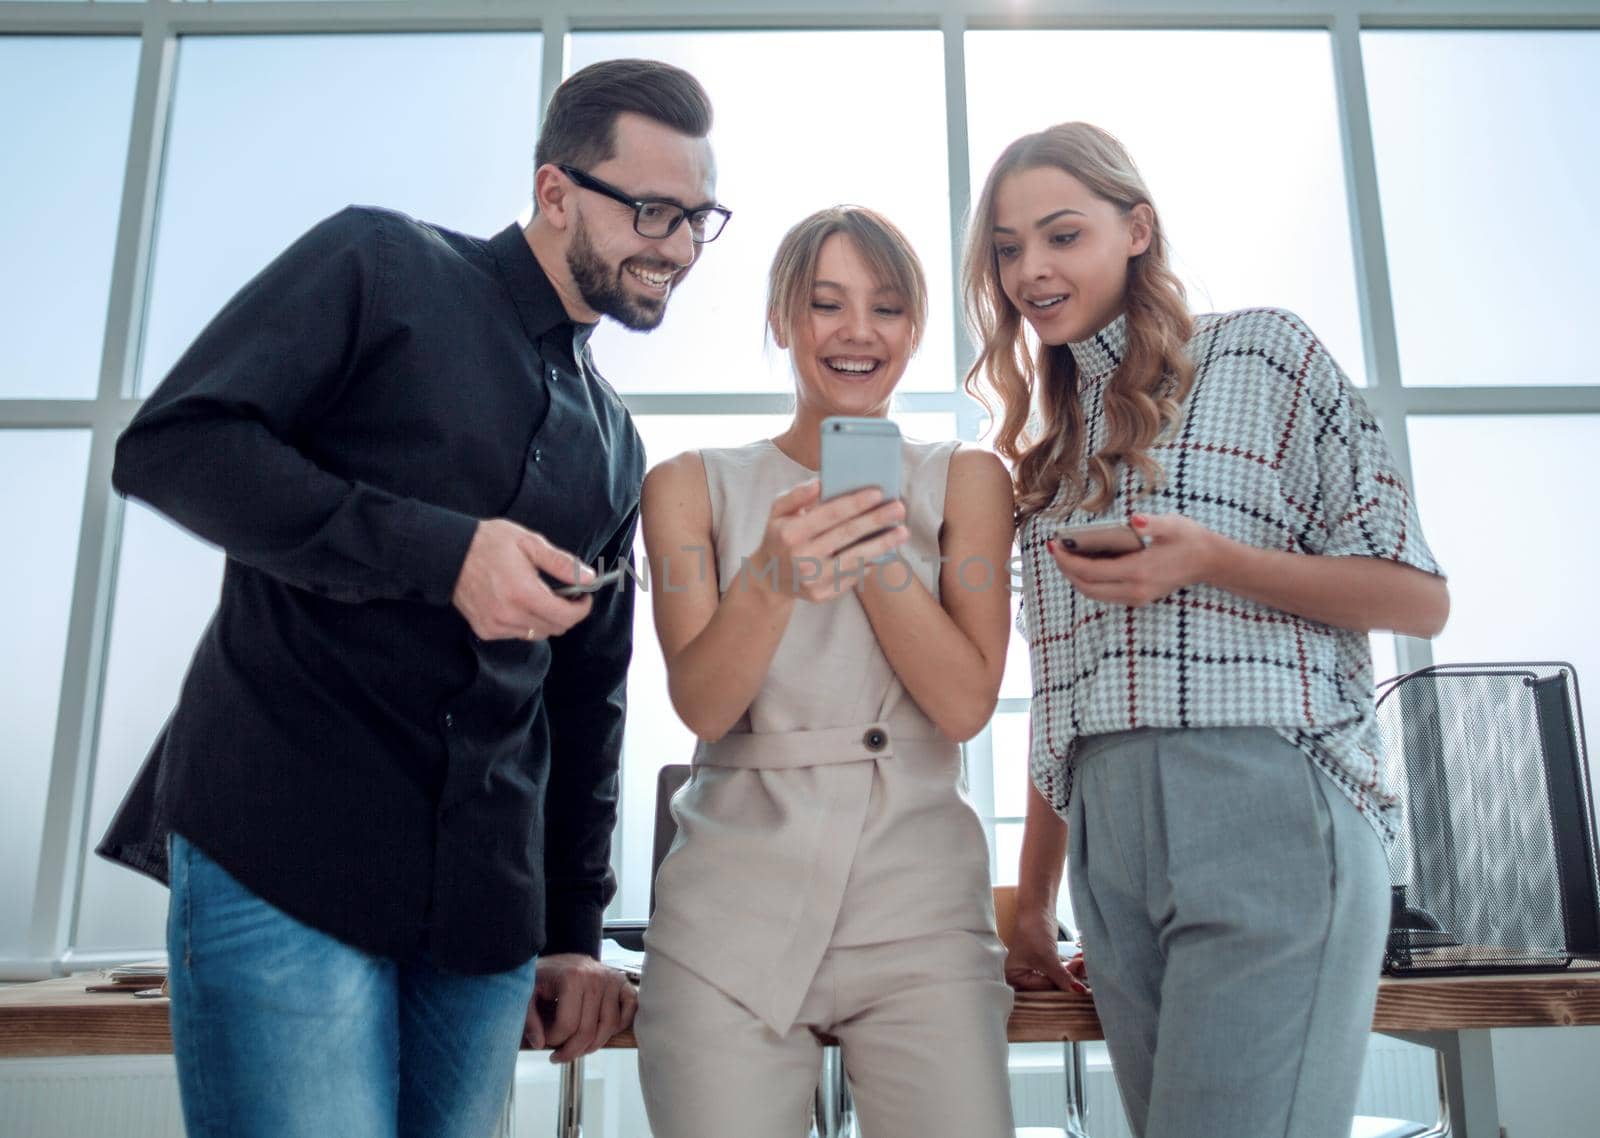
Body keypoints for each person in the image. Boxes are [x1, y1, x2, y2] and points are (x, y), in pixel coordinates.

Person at [95, 59, 728, 1138]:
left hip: (481, 922)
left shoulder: (617, 442)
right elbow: (174, 447)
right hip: (284, 853)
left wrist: (570, 926)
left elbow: (586, 703)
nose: (673, 246)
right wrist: (442, 554)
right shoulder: (380, 263)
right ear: (555, 192)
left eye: (697, 219)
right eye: (652, 210)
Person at [963, 122, 1449, 1138]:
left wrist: (1214, 560)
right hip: (1111, 849)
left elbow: (1415, 596)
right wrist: (1035, 909)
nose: (1031, 270)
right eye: (1007, 248)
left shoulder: (1260, 351)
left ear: (1136, 228)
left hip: (1266, 804)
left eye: (1061, 235)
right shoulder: (1045, 462)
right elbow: (1061, 702)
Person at [634, 206, 1017, 1137]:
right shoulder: (690, 483)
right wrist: (768, 578)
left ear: (915, 330)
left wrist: (877, 551)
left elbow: (965, 704)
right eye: (826, 304)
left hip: (921, 910)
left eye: (886, 308)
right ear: (781, 320)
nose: (858, 333)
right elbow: (707, 702)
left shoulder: (968, 479)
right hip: (729, 910)